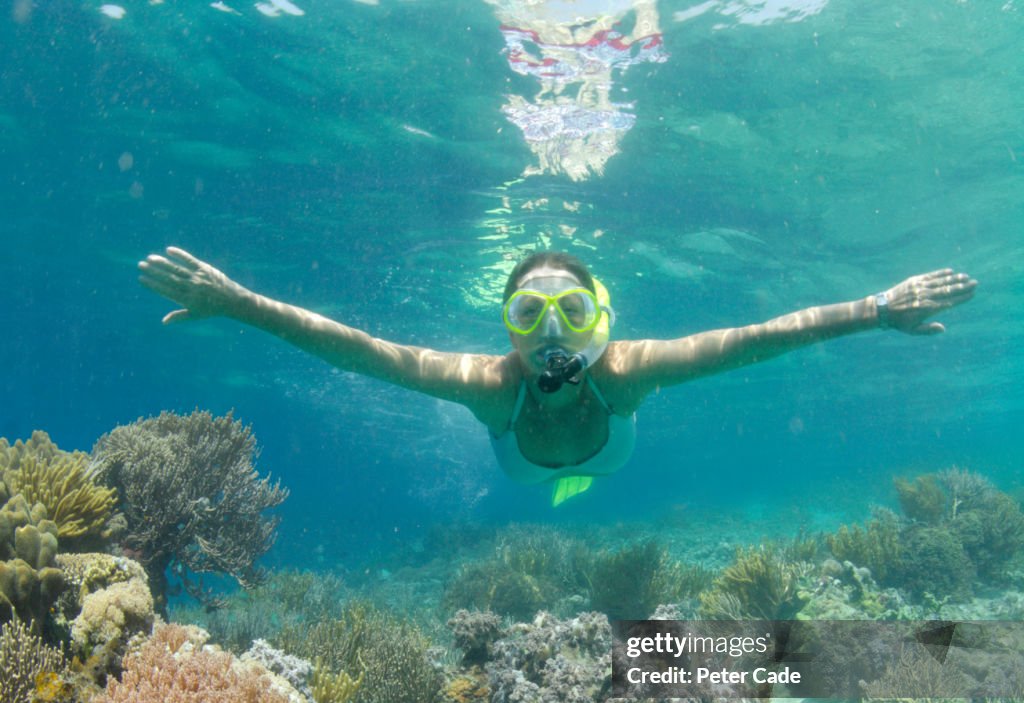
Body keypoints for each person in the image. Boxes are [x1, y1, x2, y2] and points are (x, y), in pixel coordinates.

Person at [139, 247, 977, 505]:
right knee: (542, 475)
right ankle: (558, 488)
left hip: (613, 450)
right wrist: (241, 301)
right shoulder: (490, 384)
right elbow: (366, 352)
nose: (550, 338)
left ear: (600, 318)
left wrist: (875, 307)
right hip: (516, 458)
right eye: (528, 317)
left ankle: (570, 487)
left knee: (583, 475)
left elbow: (753, 338)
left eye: (570, 314)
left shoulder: (628, 372)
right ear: (504, 327)